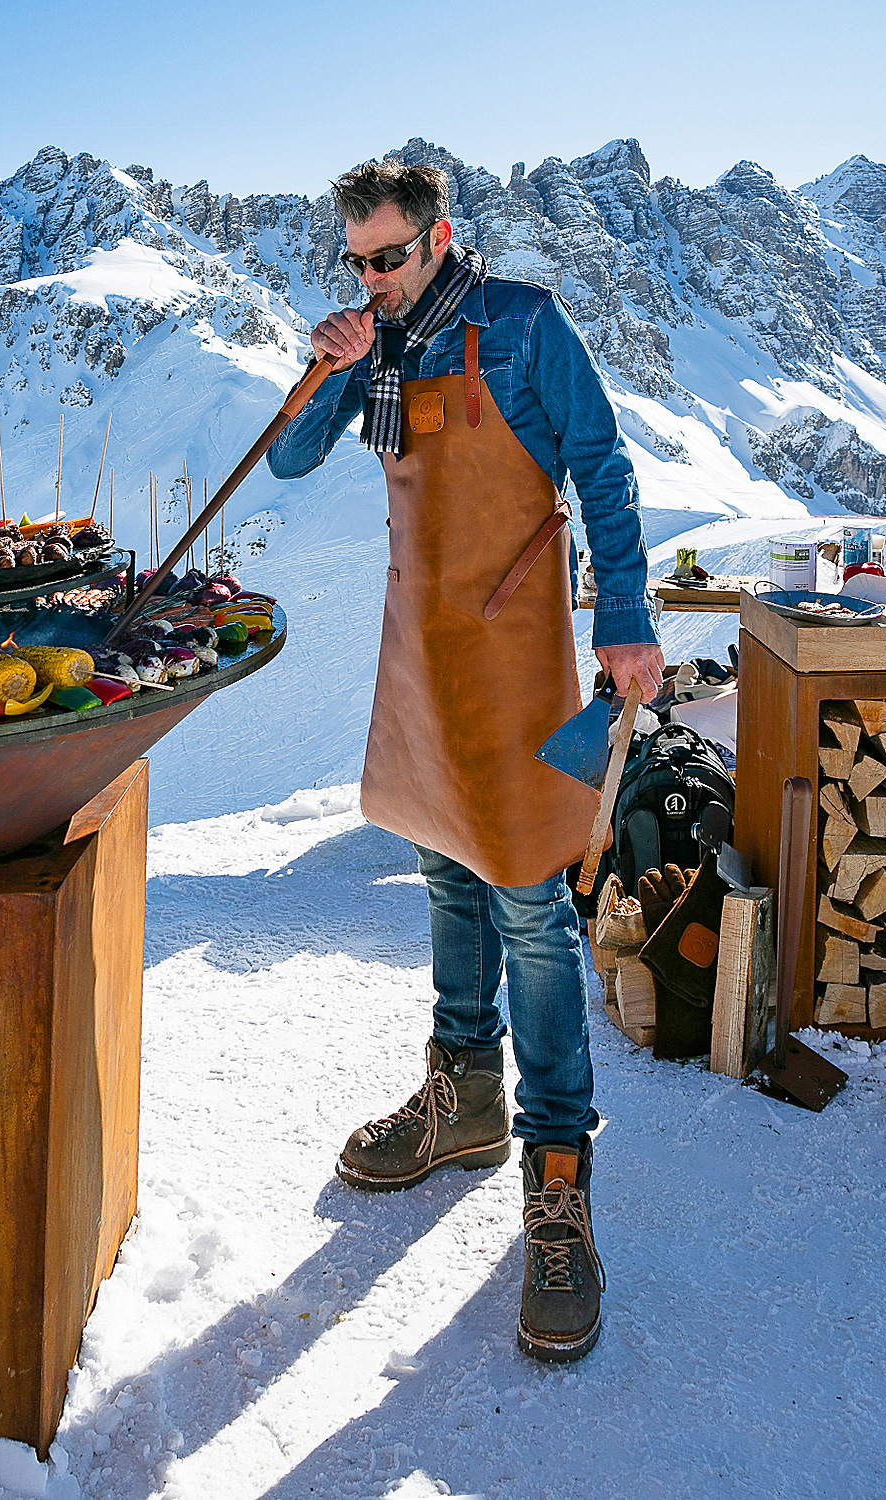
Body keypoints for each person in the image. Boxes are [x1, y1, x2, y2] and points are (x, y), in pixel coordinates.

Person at [268, 159, 664, 1362]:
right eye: (359, 262)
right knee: (445, 862)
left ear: (440, 237)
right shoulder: (376, 348)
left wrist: (629, 618)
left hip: (518, 650)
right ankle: (464, 1100)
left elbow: (600, 467)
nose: (376, 278)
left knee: (531, 899)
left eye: (391, 256)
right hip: (425, 645)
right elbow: (287, 465)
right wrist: (324, 363)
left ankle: (555, 1171)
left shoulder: (525, 327)